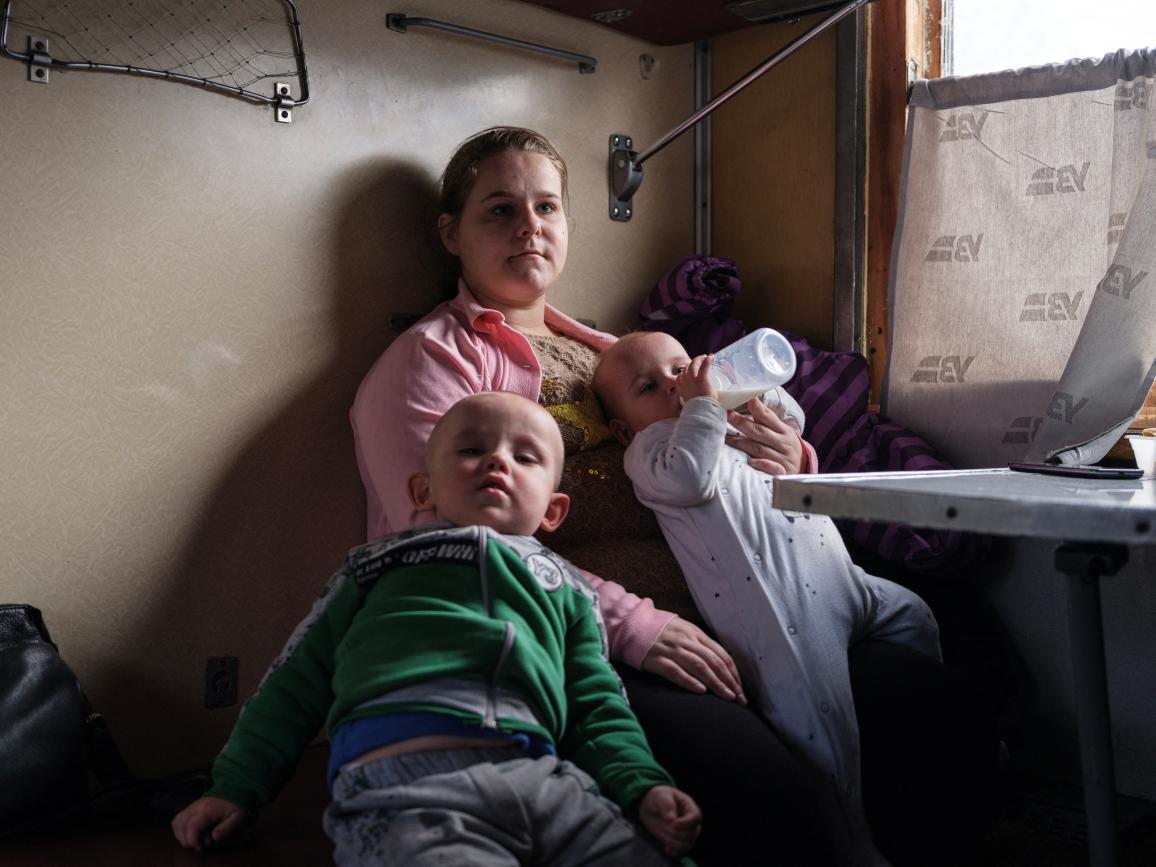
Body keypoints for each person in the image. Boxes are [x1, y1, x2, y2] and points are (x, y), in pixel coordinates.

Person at [351, 126, 993, 866]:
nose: (530, 225)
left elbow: (722, 448)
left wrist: (790, 457)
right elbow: (444, 540)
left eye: (547, 207)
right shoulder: (430, 360)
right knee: (766, 796)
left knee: (944, 712)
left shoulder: (617, 350)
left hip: (743, 604)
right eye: (499, 210)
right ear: (450, 234)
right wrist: (636, 625)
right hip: (590, 644)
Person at [173, 392, 701, 864]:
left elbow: (596, 702)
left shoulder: (569, 589)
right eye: (472, 449)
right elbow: (292, 683)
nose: (497, 459)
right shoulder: (374, 567)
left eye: (524, 457)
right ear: (423, 490)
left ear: (553, 511)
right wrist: (235, 787)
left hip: (545, 780)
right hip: (407, 787)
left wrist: (642, 786)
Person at [593, 331, 946, 866]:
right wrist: (703, 407)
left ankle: (950, 725)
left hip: (842, 577)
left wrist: (753, 390)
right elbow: (692, 478)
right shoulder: (652, 452)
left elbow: (792, 420)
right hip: (785, 612)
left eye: (681, 367)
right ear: (623, 429)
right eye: (649, 386)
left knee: (915, 614)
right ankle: (851, 839)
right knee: (823, 727)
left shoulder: (724, 417)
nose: (674, 385)